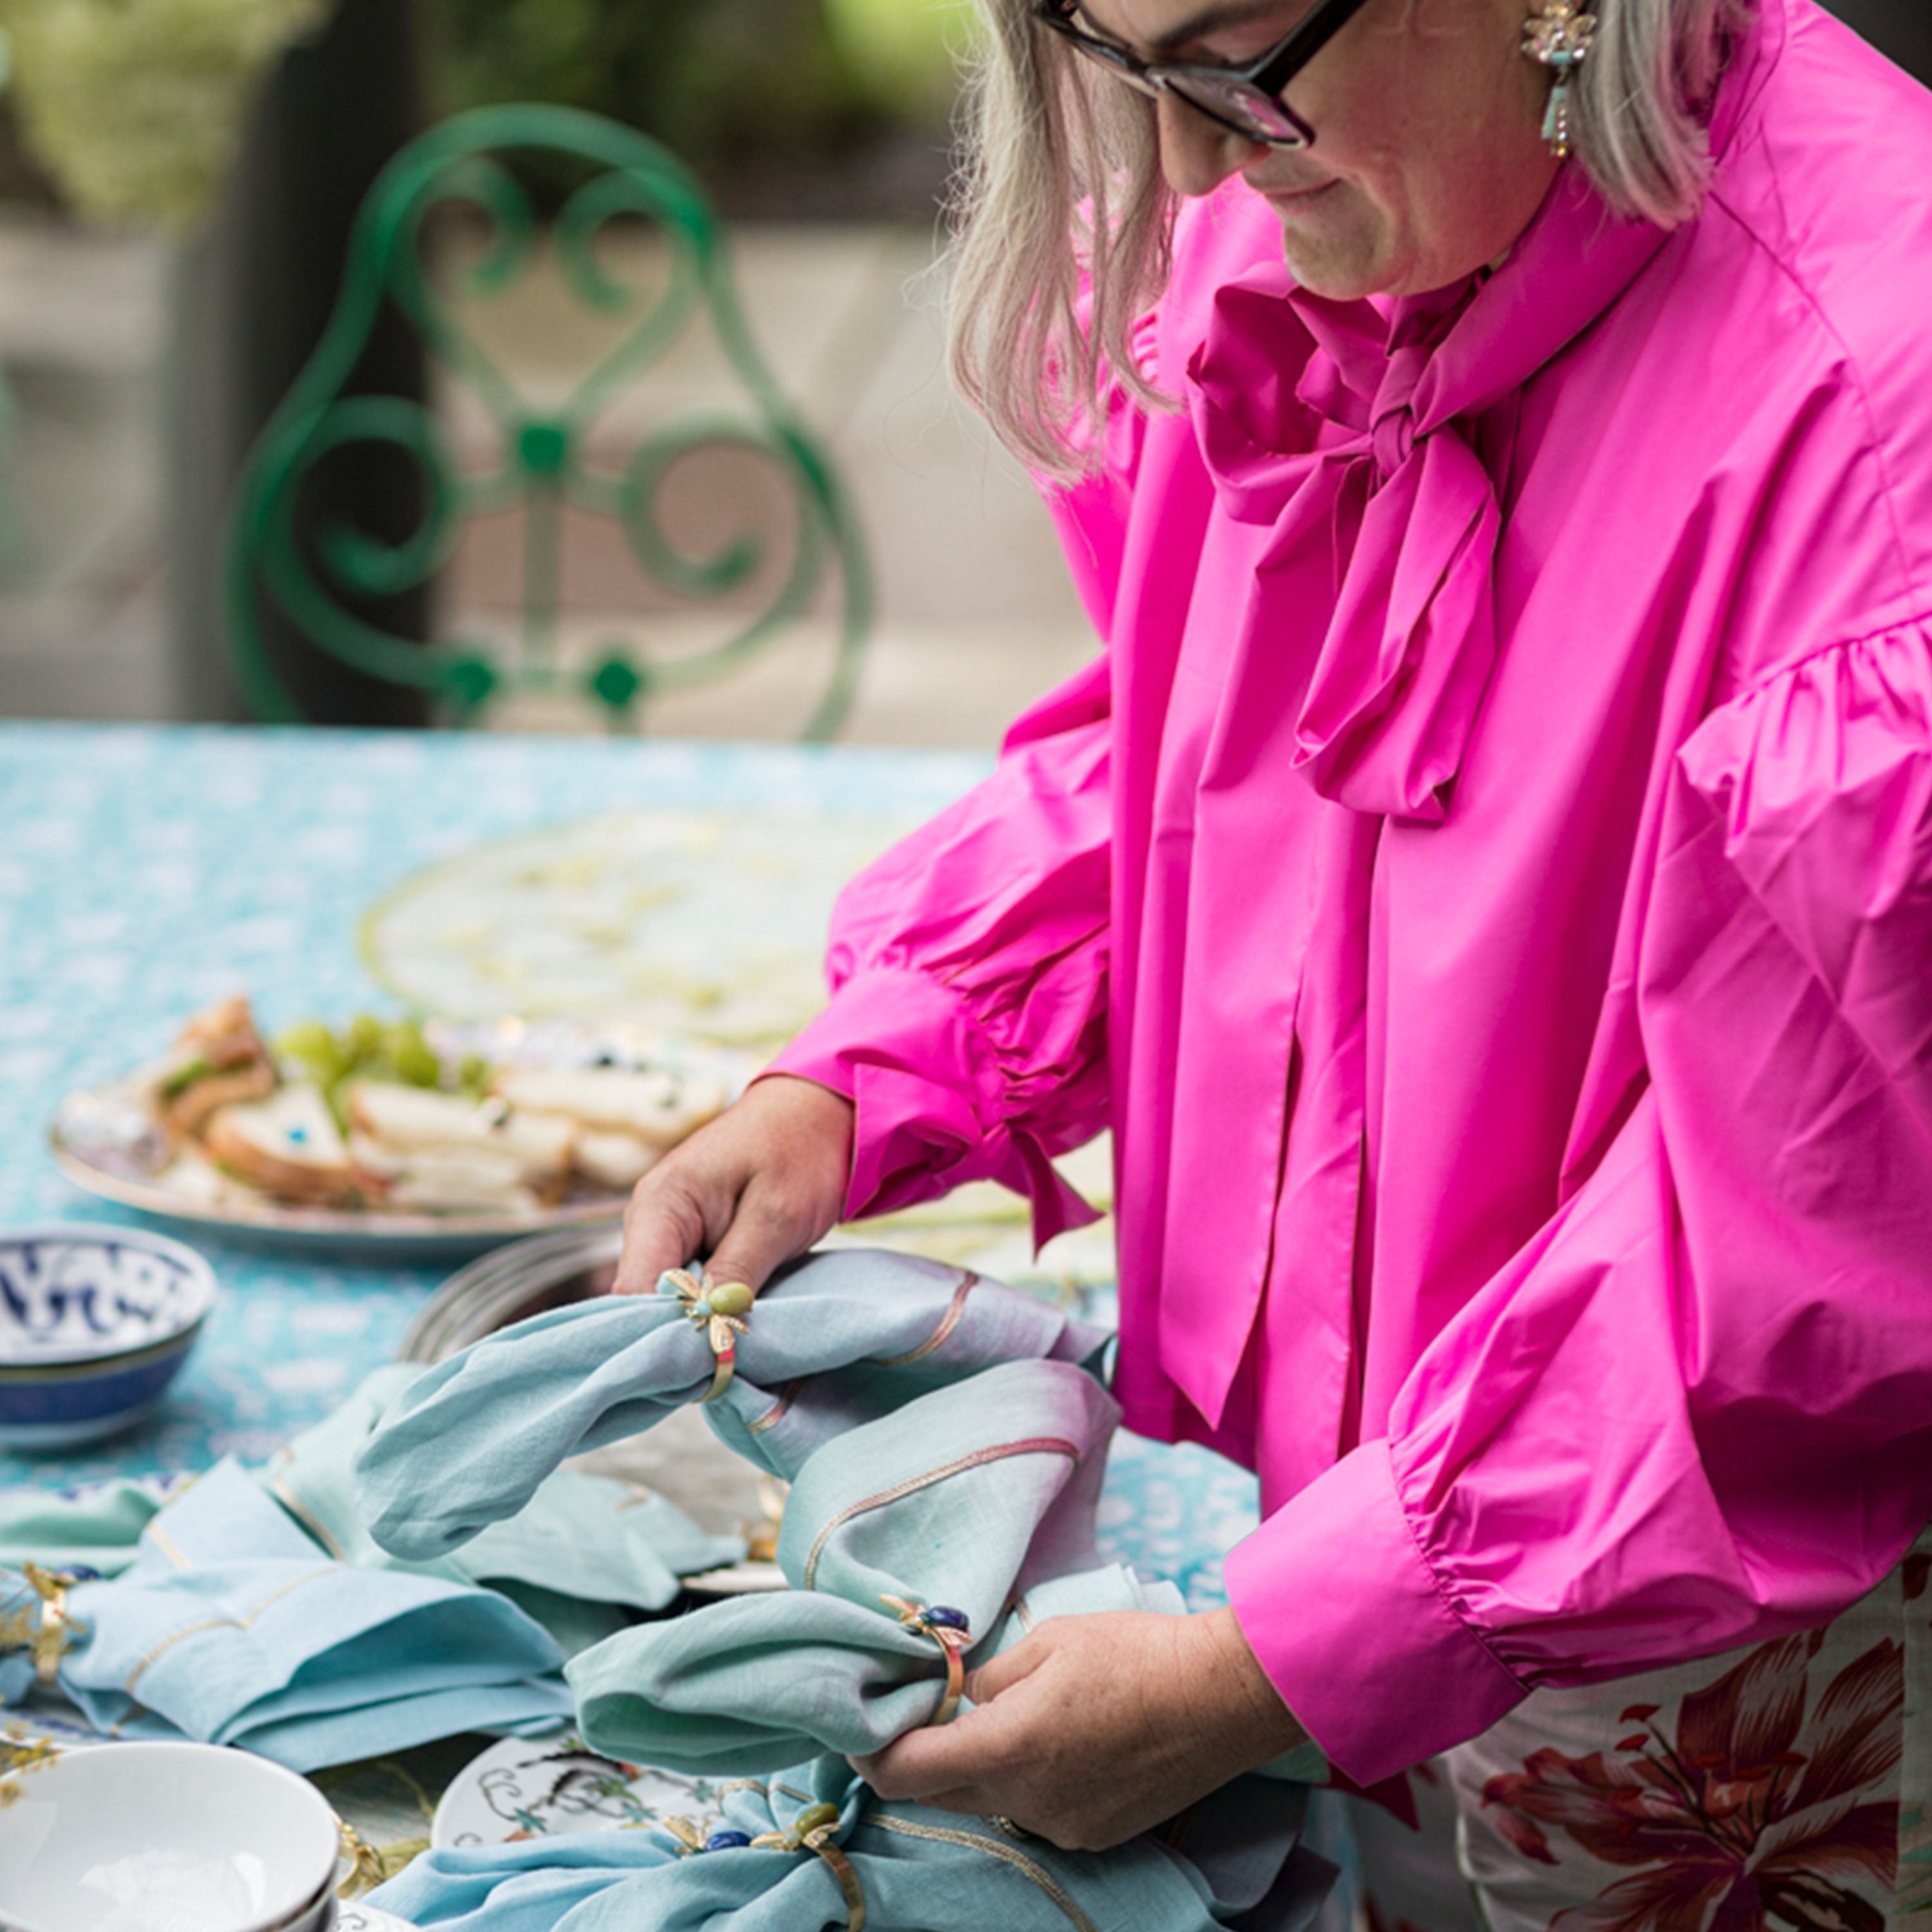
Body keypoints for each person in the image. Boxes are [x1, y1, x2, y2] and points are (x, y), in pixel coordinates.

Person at [618, 0, 1932, 1920]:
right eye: (1122, 70)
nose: (1187, 171)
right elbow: (1194, 752)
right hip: (1363, 1575)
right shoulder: (1316, 183)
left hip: (1733, 1663)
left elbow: (1813, 1254)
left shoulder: (1880, 411)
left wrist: (1288, 1653)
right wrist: (887, 1060)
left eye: (1232, 60)